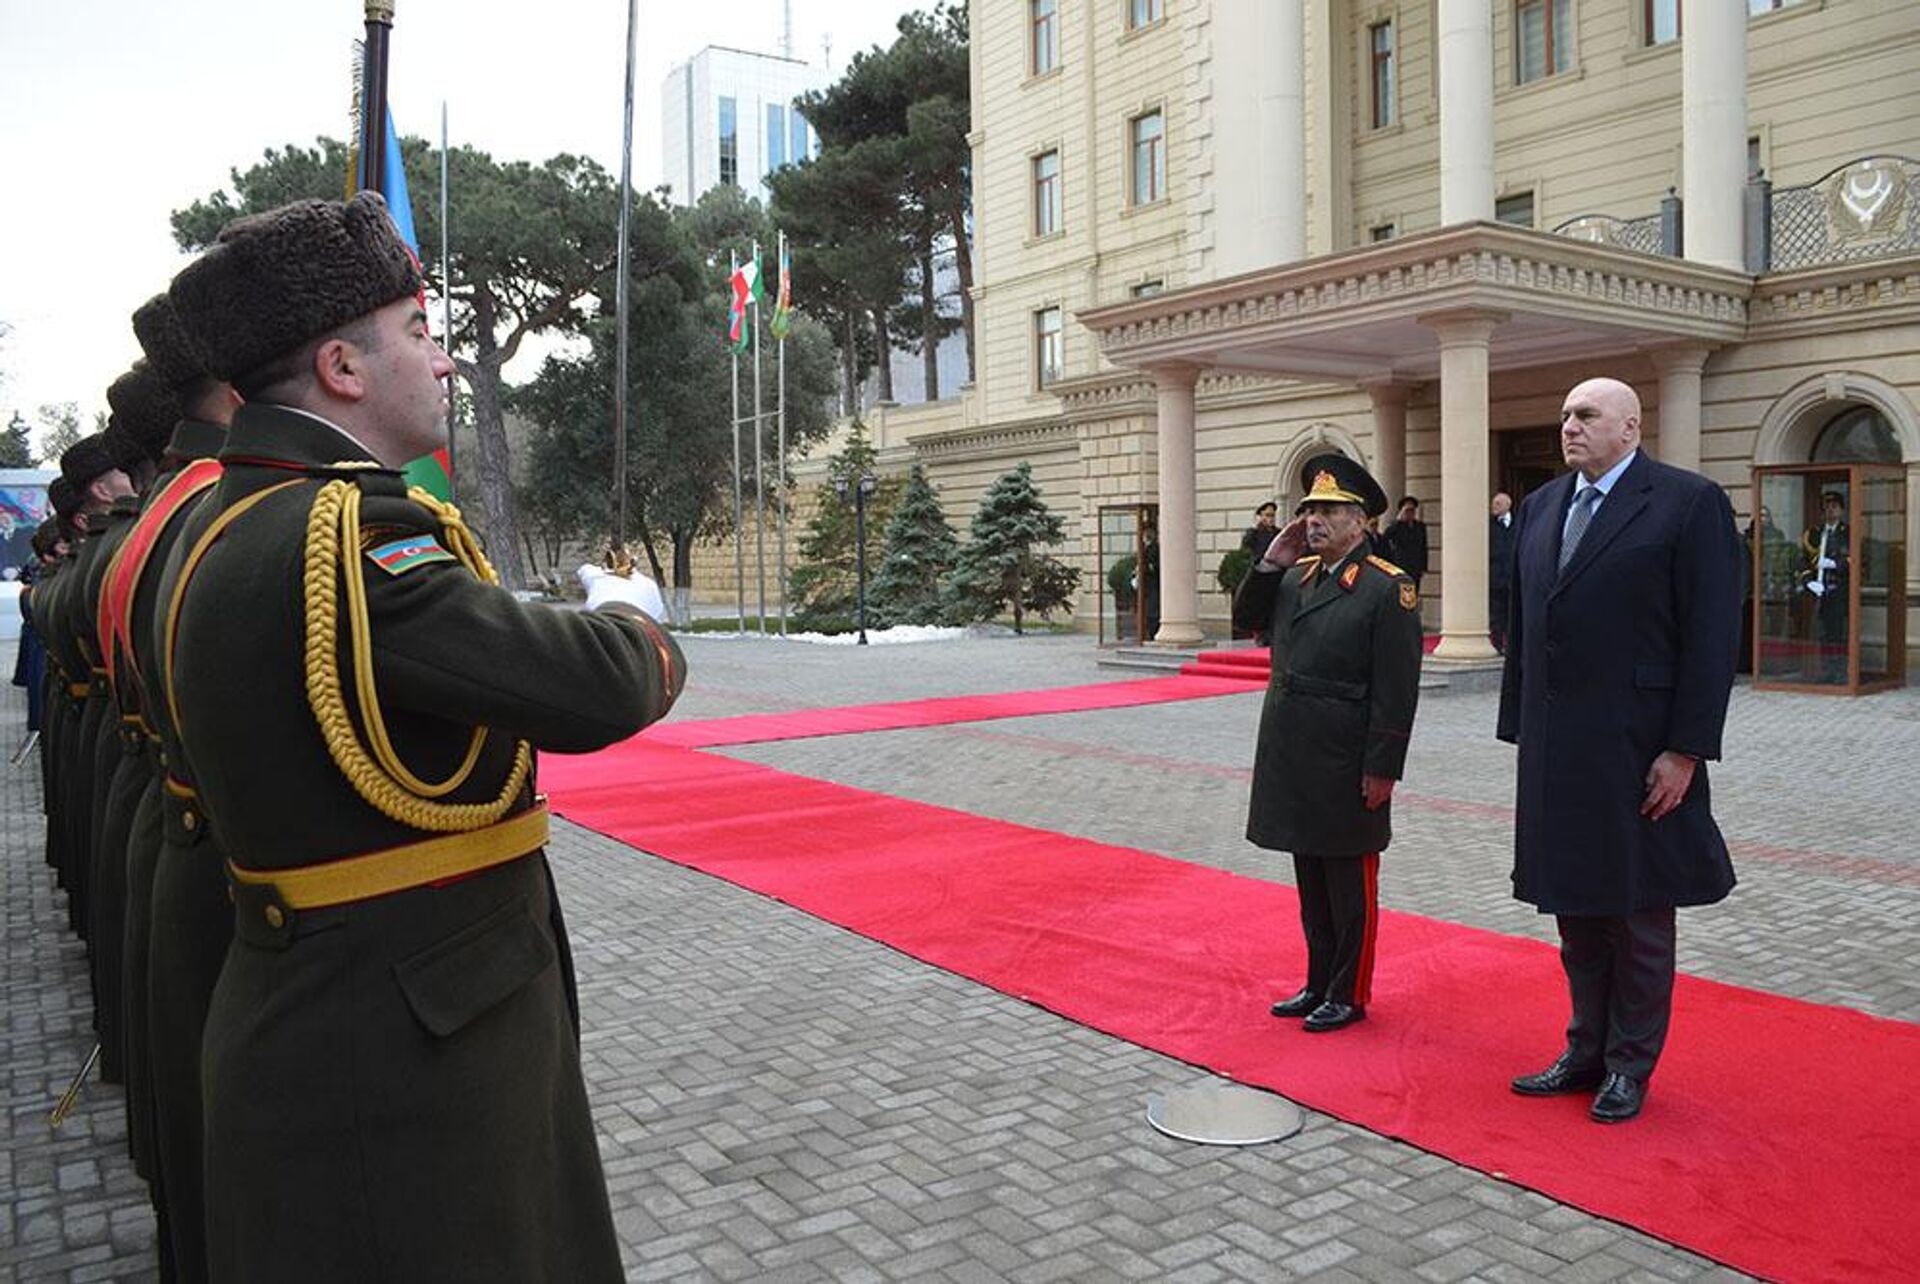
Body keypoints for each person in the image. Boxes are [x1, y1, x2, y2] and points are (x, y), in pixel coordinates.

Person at [164, 192, 685, 1281]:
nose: (446, 362)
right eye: (420, 332)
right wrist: (635, 615)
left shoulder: (229, 517)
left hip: (332, 1021)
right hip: (399, 1056)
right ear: (343, 371)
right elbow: (595, 691)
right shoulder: (351, 536)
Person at [1497, 376, 1741, 1124]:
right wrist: (1521, 731)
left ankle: (1631, 1065)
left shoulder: (1686, 503)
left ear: (1630, 428)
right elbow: (1525, 629)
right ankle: (1585, 1050)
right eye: (1565, 413)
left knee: (1637, 914)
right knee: (1575, 909)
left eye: (1586, 415)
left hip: (1639, 751)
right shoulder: (1540, 509)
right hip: (1558, 750)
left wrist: (1686, 749)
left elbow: (1711, 634)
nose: (1569, 426)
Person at [1233, 454, 1423, 1033]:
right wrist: (1269, 560)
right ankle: (1317, 981)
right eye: (1311, 508)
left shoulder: (1387, 589)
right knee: (1310, 877)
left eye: (1330, 510)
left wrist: (1383, 766)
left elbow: (1397, 689)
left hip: (1347, 756)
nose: (1314, 519)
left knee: (1348, 883)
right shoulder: (1295, 576)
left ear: (1361, 523)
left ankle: (1349, 990)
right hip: (1294, 750)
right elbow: (1246, 618)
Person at [1800, 490, 1850, 682]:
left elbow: (1857, 560)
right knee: (1821, 634)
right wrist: (1808, 581)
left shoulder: (1847, 533)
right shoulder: (1814, 533)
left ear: (1842, 510)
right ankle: (1826, 671)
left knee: (1837, 634)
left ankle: (1839, 672)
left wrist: (1836, 564)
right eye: (1827, 506)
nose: (1830, 510)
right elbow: (1802, 561)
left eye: (1834, 506)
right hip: (1817, 592)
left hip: (1838, 592)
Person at [1379, 495, 1430, 589]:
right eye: (1407, 510)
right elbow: (1386, 536)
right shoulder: (1397, 526)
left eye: (1412, 510)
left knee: (1414, 591)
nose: (1410, 513)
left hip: (1415, 566)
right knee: (1403, 591)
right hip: (1402, 565)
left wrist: (1423, 566)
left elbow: (1423, 546)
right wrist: (1399, 520)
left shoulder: (1420, 526)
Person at [1488, 492, 1515, 653]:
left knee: (1512, 614)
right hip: (1495, 577)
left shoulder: (1519, 523)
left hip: (1512, 577)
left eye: (1497, 504)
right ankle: (1497, 644)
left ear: (1507, 505)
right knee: (1497, 615)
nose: (1493, 507)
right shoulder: (1489, 526)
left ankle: (1512, 645)